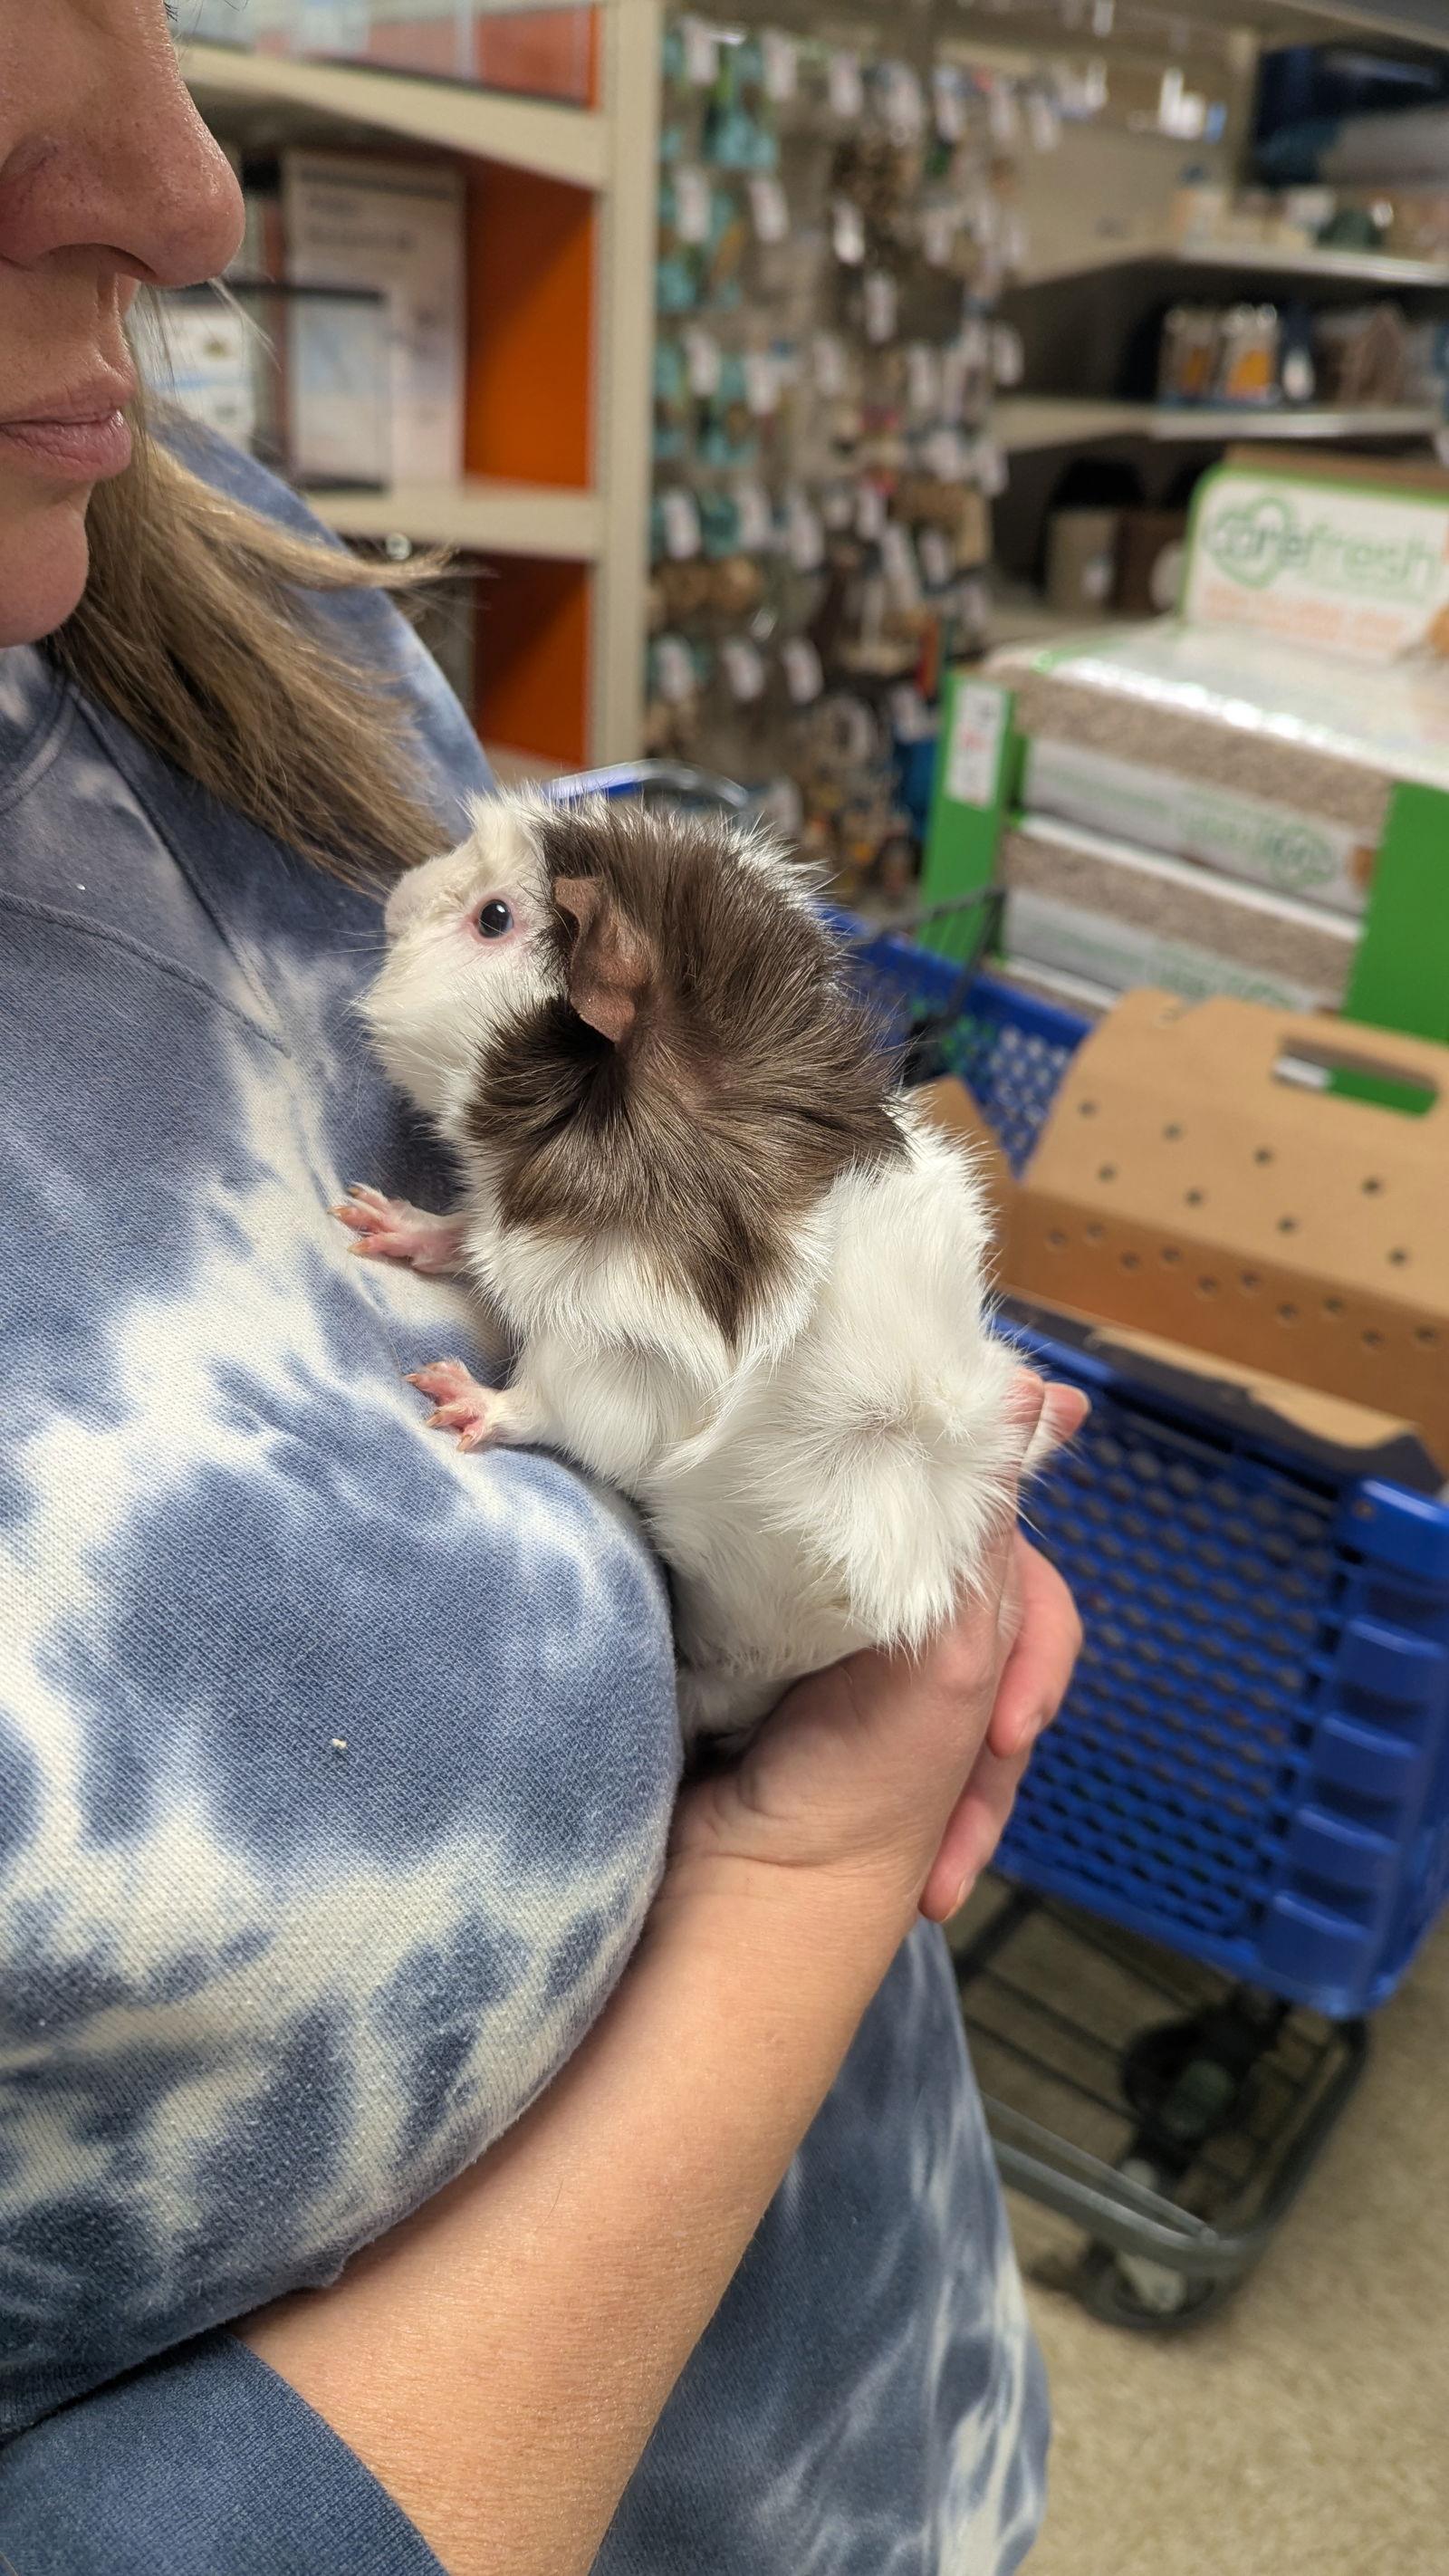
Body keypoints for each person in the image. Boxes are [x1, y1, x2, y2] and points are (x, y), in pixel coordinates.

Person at [0, 5, 1085, 2569]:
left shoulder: (151, 525)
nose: (187, 191)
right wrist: (823, 1867)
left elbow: (734, 1163)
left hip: (886, 2434)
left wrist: (907, 1436)